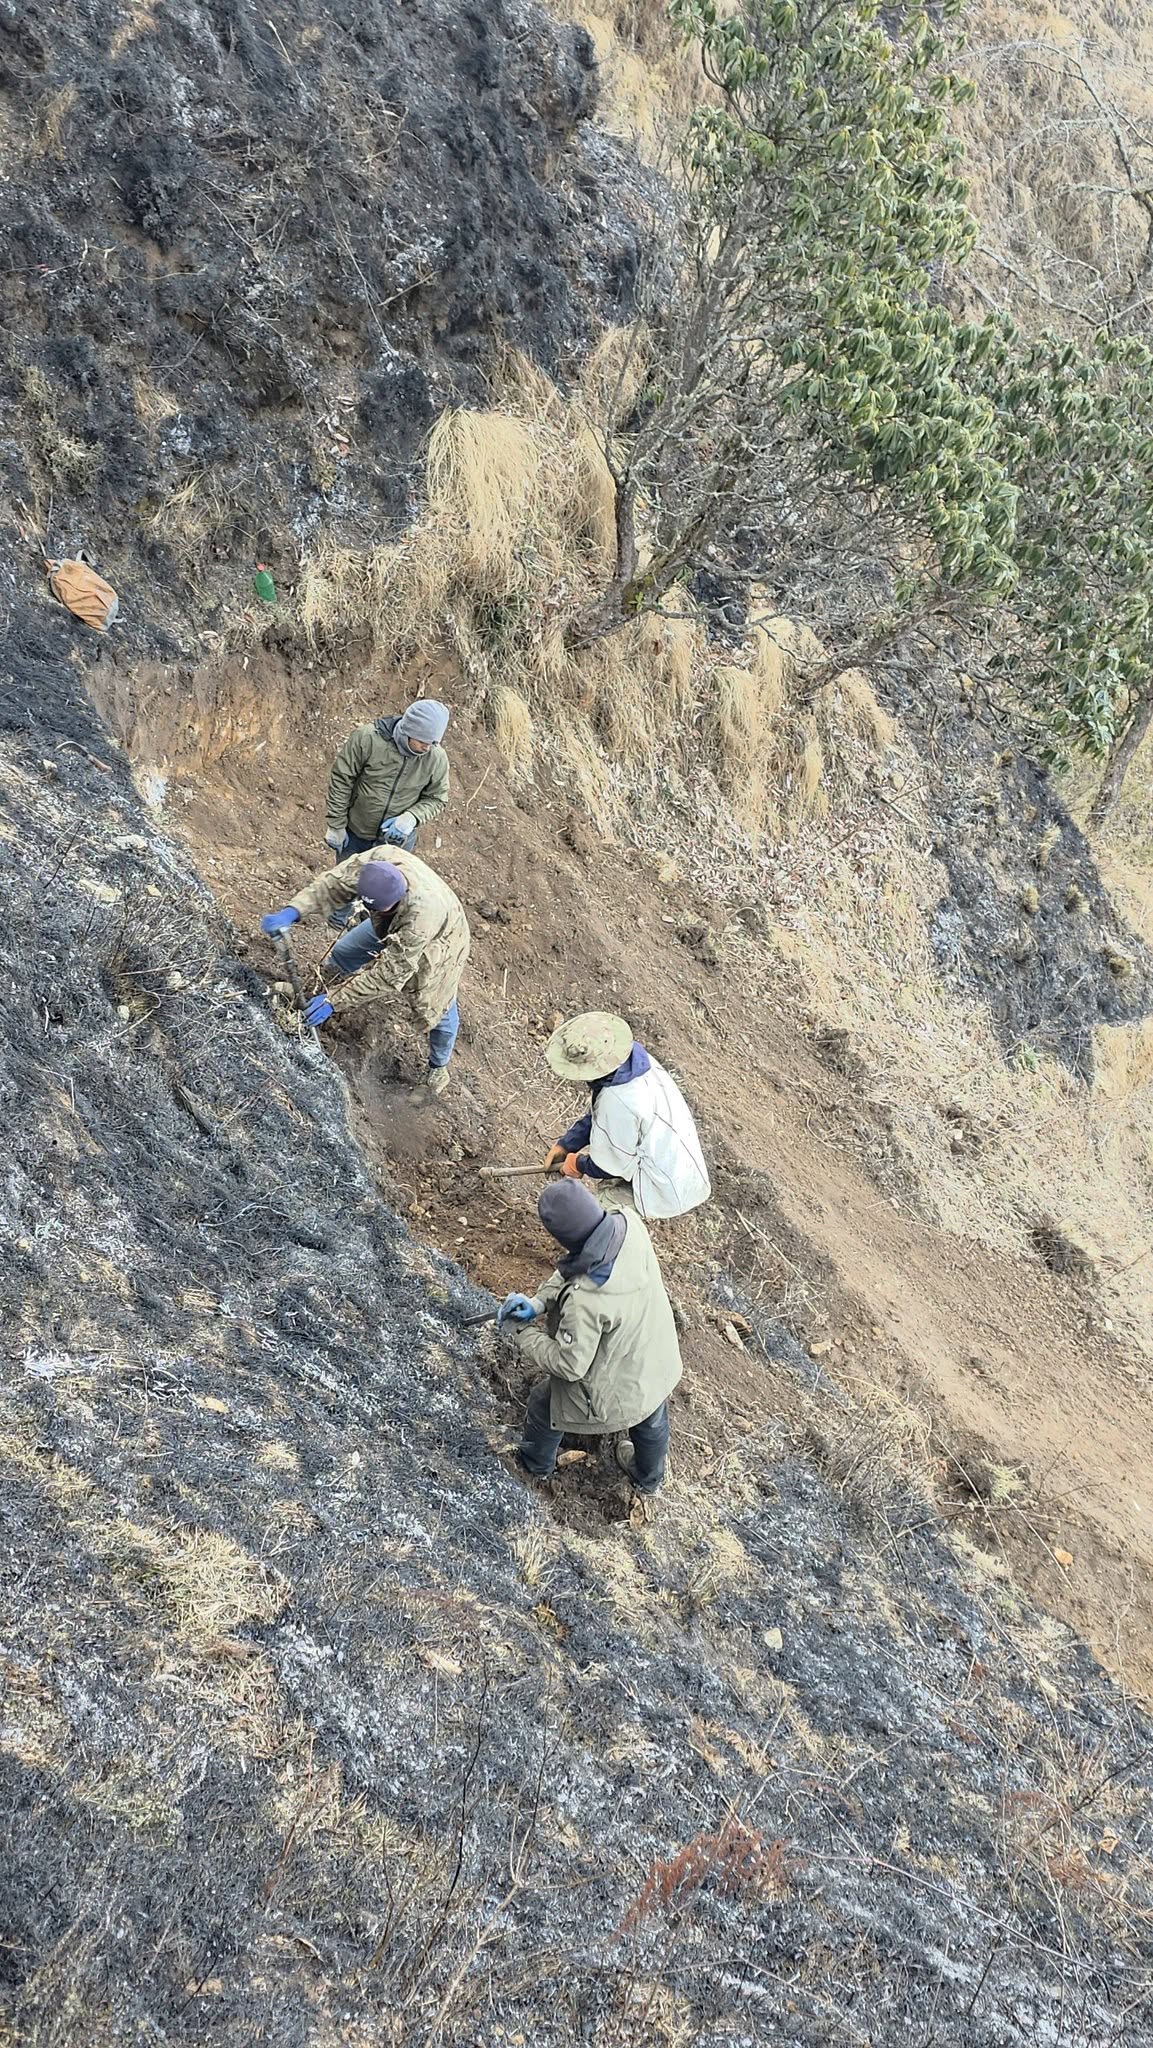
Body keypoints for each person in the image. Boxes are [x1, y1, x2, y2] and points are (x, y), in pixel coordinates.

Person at [497, 1180, 682, 1518]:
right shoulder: (628, 1224)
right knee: (651, 1412)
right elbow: (575, 1266)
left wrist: (522, 1331)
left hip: (617, 1382)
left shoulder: (586, 1299)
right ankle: (648, 1478)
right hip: (656, 1354)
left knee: (543, 1405)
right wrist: (538, 1303)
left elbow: (570, 1367)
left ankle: (535, 1470)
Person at [261, 849, 469, 1095]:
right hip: (392, 921)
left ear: (394, 903)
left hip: (442, 939)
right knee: (344, 952)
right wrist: (292, 911)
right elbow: (333, 883)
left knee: (435, 1006)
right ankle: (312, 996)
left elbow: (388, 976)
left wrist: (333, 1001)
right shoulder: (377, 862)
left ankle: (437, 1069)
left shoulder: (420, 920)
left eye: (380, 909)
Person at [542, 1012, 710, 1220]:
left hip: (665, 1182)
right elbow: (598, 1116)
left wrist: (578, 1164)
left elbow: (609, 1166)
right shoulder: (632, 1062)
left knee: (600, 1219)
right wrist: (567, 1144)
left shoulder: (619, 1101)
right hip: (674, 1159)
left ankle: (616, 1237)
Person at [325, 699, 451, 860]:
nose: (426, 748)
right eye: (422, 741)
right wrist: (336, 825)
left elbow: (437, 798)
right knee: (349, 876)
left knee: (385, 877)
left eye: (432, 743)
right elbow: (342, 780)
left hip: (396, 844)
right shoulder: (368, 739)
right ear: (407, 731)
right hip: (356, 835)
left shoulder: (436, 758)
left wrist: (411, 818)